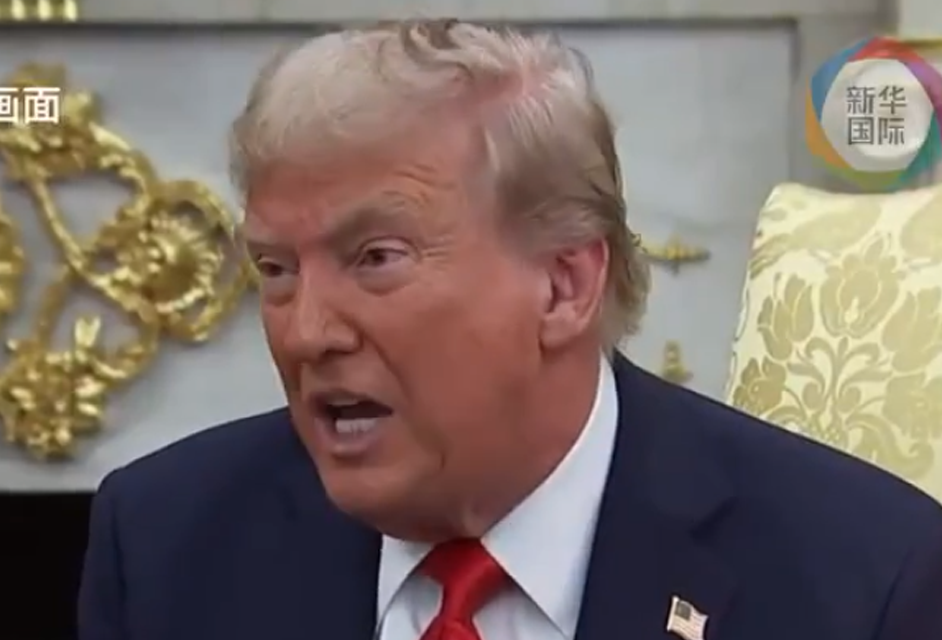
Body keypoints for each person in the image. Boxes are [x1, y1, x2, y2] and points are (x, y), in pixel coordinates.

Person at [78, 19, 942, 640]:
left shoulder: (861, 581)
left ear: (564, 286)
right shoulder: (163, 546)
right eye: (276, 270)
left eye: (376, 258)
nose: (306, 333)